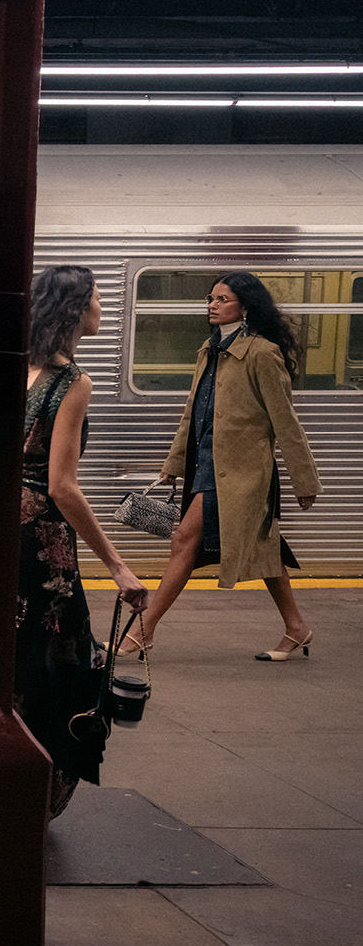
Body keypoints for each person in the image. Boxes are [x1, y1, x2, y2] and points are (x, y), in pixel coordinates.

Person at [127, 271, 321, 662]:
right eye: (210, 299)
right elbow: (193, 412)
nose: (212, 305)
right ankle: (297, 627)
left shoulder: (262, 353)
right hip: (206, 464)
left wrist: (304, 480)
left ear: (244, 307)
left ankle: (141, 631)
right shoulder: (210, 349)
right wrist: (174, 462)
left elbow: (286, 421)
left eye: (222, 299)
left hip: (243, 472)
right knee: (264, 548)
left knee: (184, 540)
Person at [16, 267, 150, 817]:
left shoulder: (16, 368)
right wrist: (117, 565)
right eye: (96, 299)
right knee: (59, 665)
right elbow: (62, 487)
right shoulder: (71, 382)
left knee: (12, 660)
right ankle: (38, 794)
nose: (101, 309)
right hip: (44, 544)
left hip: (3, 538)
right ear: (73, 310)